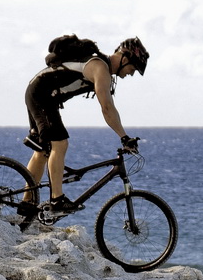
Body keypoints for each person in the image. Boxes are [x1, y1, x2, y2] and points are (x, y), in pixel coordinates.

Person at [23, 36, 149, 217]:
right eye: (133, 68)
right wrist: (124, 137)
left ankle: (26, 204)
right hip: (41, 95)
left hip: (42, 94)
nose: (131, 73)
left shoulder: (102, 68)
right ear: (124, 58)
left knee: (43, 151)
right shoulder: (100, 68)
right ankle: (57, 200)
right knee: (60, 143)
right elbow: (107, 108)